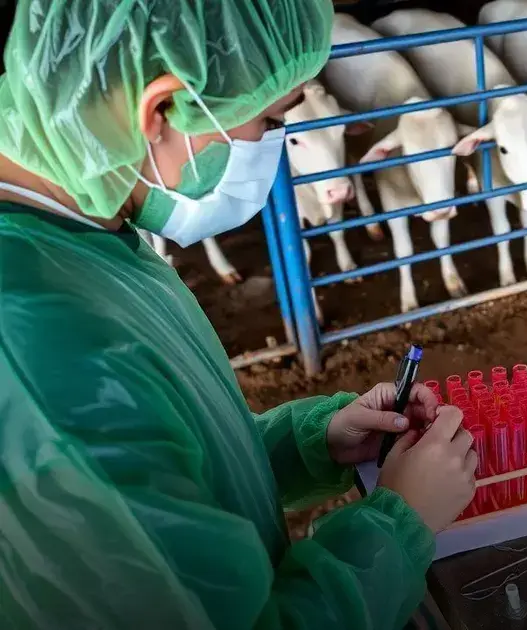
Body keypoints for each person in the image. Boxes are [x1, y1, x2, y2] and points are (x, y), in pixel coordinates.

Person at [0, 1, 478, 628]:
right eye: (272, 117)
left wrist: (311, 442)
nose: (270, 148)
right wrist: (398, 523)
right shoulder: (41, 347)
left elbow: (167, 478)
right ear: (160, 110)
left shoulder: (83, 237)